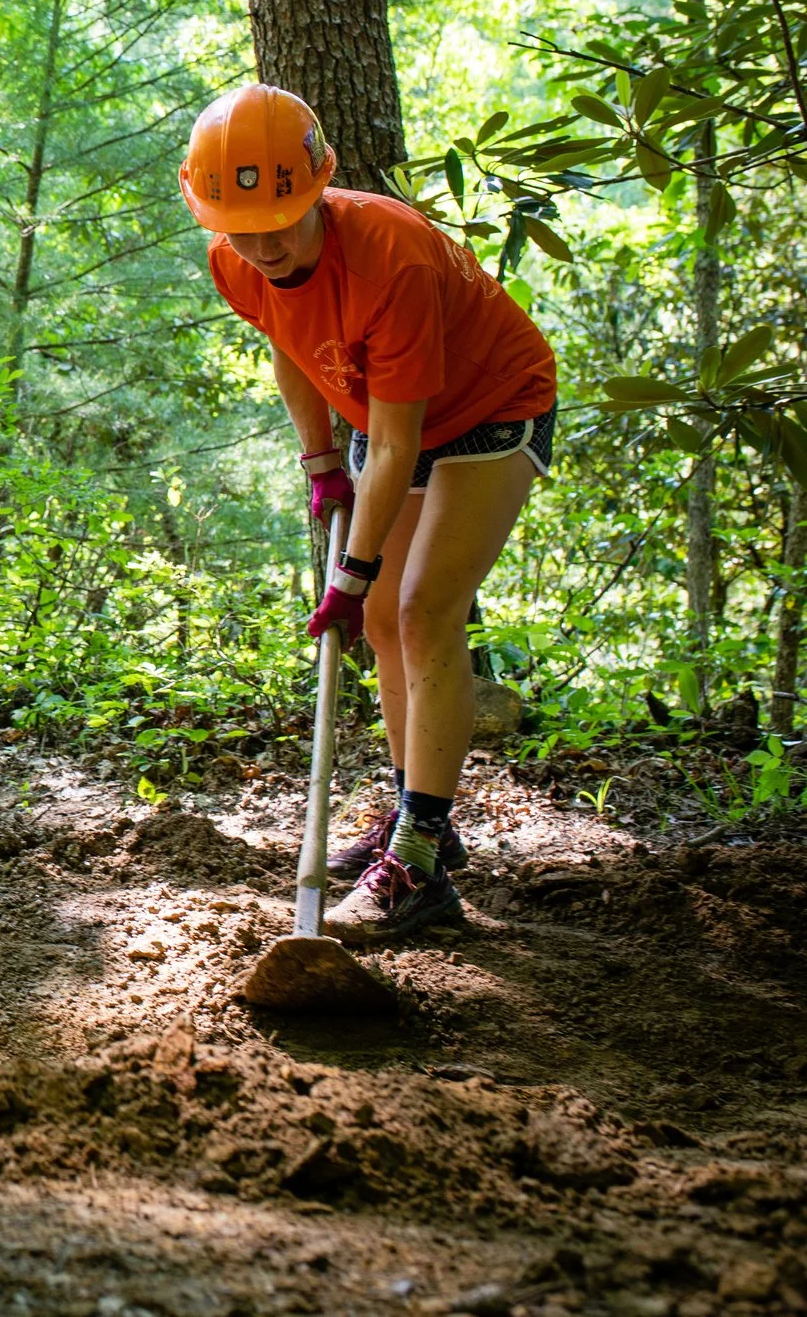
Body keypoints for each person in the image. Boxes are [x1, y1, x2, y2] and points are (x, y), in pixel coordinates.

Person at [185, 83, 556, 945]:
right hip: (378, 411)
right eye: (241, 226)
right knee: (387, 621)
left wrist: (348, 574)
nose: (263, 245)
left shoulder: (393, 258)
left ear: (319, 191)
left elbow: (396, 448)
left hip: (488, 406)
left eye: (282, 220)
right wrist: (319, 464)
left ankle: (419, 862)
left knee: (423, 608)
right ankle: (416, 818)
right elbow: (290, 345)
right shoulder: (235, 259)